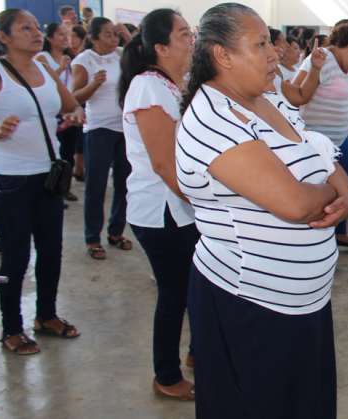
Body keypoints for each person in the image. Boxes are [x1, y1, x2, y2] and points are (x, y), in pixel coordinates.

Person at [178, 4, 348, 418]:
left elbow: (317, 150)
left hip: (304, 300)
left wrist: (342, 190)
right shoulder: (212, 120)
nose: (275, 54)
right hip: (252, 302)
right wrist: (335, 191)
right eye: (260, 45)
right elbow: (292, 203)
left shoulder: (267, 97)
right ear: (223, 55)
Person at [0, 8, 85, 355]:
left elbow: (71, 103)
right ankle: (11, 328)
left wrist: (73, 114)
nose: (35, 32)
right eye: (24, 28)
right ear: (3, 37)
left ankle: (46, 315)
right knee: (15, 255)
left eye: (35, 26)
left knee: (51, 251)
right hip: (8, 180)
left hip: (47, 176)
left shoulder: (43, 69)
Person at [119, 8, 198, 401]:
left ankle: (196, 353)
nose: (192, 40)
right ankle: (166, 375)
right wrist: (208, 202)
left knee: (192, 286)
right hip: (161, 211)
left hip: (180, 209)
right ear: (161, 47)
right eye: (184, 34)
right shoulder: (148, 87)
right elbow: (165, 163)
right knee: (174, 292)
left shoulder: (171, 85)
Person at [293, 23, 348, 248]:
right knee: (333, 187)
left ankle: (337, 230)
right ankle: (322, 230)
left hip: (339, 138)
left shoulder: (345, 68)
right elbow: (295, 92)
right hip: (318, 139)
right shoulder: (320, 60)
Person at [72, 17, 133, 260]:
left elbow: (142, 50)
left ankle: (116, 232)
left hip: (124, 129)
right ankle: (92, 238)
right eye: (107, 34)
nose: (113, 39)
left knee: (124, 183)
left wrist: (126, 35)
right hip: (99, 129)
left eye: (115, 34)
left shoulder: (120, 54)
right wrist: (94, 85)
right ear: (94, 37)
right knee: (96, 186)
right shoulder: (84, 60)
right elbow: (74, 96)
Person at [37, 23, 80, 202]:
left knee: (68, 152)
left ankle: (64, 187)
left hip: (68, 110)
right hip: (53, 111)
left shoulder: (70, 56)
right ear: (50, 38)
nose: (65, 38)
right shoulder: (42, 57)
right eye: (60, 35)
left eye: (66, 34)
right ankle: (52, 188)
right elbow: (45, 80)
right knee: (57, 151)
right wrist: (61, 67)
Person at [68, 24, 86, 181]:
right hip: (67, 103)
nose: (70, 40)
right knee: (71, 142)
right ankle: (76, 169)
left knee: (79, 139)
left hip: (76, 104)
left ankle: (79, 169)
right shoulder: (70, 57)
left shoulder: (83, 56)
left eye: (74, 37)